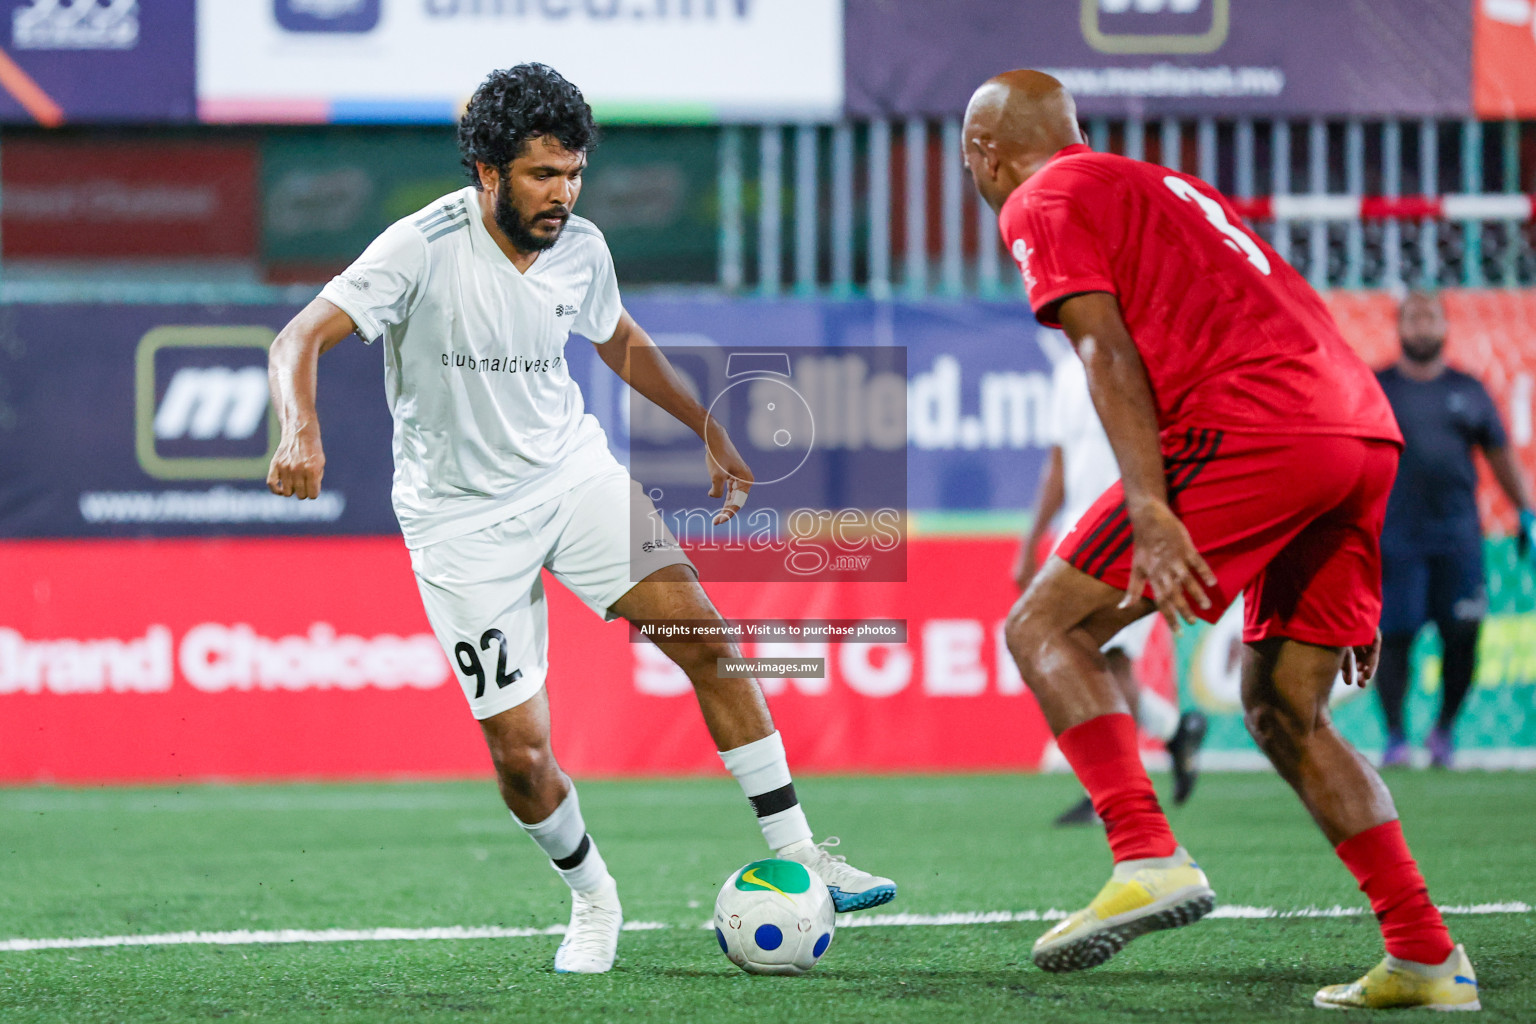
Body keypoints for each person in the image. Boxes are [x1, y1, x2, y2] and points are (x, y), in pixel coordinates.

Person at [265, 64, 894, 976]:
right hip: (459, 524)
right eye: (540, 176)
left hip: (573, 478)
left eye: (572, 174)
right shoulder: (418, 245)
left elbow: (620, 339)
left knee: (706, 641)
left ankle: (803, 856)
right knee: (522, 759)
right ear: (486, 170)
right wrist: (301, 428)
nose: (561, 194)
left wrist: (707, 428)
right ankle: (595, 900)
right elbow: (297, 338)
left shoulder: (582, 247)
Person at [962, 70, 1478, 1010]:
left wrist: (1152, 508)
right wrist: (1334, 511)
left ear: (983, 153)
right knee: (1285, 704)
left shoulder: (1043, 195)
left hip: (1255, 426)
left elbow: (1103, 350)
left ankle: (1146, 850)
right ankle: (1426, 956)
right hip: (1356, 432)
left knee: (1044, 627)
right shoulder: (1157, 184)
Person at [1017, 351, 1208, 826]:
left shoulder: (1140, 361)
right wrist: (1030, 545)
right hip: (1077, 538)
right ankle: (1169, 734)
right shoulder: (1065, 372)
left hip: (1129, 529)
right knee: (1084, 655)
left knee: (1107, 658)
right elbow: (1058, 467)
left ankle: (1117, 791)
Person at [1375, 291, 1533, 769]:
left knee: (1463, 634)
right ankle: (1397, 738)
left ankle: (1443, 730)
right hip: (1396, 537)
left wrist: (1526, 511)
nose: (1422, 325)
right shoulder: (1376, 386)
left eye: (1430, 317)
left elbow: (1500, 455)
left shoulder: (1470, 389)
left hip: (1457, 537)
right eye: (1413, 317)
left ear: (1445, 326)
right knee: (1394, 638)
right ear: (1399, 326)